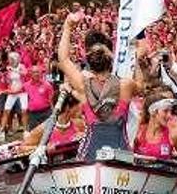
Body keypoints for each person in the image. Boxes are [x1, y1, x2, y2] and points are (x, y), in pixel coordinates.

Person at [57, 10, 139, 160]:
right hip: (121, 151)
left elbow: (63, 59)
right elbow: (142, 85)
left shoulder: (83, 85)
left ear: (89, 63)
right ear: (110, 62)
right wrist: (138, 54)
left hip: (90, 152)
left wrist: (68, 26)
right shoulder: (126, 85)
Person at [133, 92, 177, 168]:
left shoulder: (173, 134)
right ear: (153, 112)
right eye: (165, 111)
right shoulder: (138, 131)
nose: (169, 115)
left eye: (170, 111)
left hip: (163, 175)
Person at [20, 88, 85, 161]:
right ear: (67, 107)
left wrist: (85, 137)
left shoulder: (79, 124)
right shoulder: (44, 129)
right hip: (53, 169)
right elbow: (22, 148)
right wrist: (43, 148)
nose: (81, 108)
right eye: (78, 105)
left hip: (75, 168)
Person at [24, 65, 55, 132]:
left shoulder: (47, 85)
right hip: (33, 114)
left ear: (41, 73)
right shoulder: (26, 85)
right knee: (33, 133)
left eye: (37, 72)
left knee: (47, 132)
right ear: (31, 74)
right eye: (34, 72)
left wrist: (53, 114)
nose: (36, 74)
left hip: (46, 113)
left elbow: (51, 100)